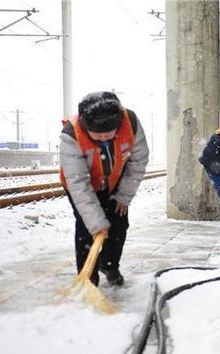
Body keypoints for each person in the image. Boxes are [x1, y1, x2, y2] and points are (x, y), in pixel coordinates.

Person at [60, 91, 149, 286]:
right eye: (96, 135)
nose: (102, 139)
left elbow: (138, 160)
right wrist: (96, 222)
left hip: (114, 180)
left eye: (107, 135)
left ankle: (109, 265)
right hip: (81, 184)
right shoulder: (71, 134)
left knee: (118, 223)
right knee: (87, 229)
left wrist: (124, 196)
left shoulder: (130, 122)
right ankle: (87, 277)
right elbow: (78, 182)